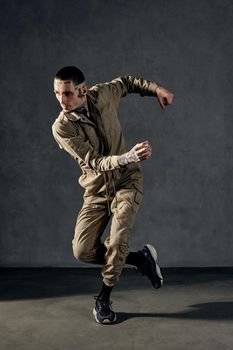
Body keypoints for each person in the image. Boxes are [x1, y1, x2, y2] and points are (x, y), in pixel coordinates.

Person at [52, 66, 174, 324]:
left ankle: (103, 299)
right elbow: (94, 162)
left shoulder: (104, 94)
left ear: (83, 90)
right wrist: (128, 155)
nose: (62, 101)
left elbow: (127, 82)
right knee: (82, 251)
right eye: (57, 94)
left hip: (127, 181)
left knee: (117, 241)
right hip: (96, 191)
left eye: (67, 94)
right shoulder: (61, 128)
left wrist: (156, 89)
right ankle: (139, 259)